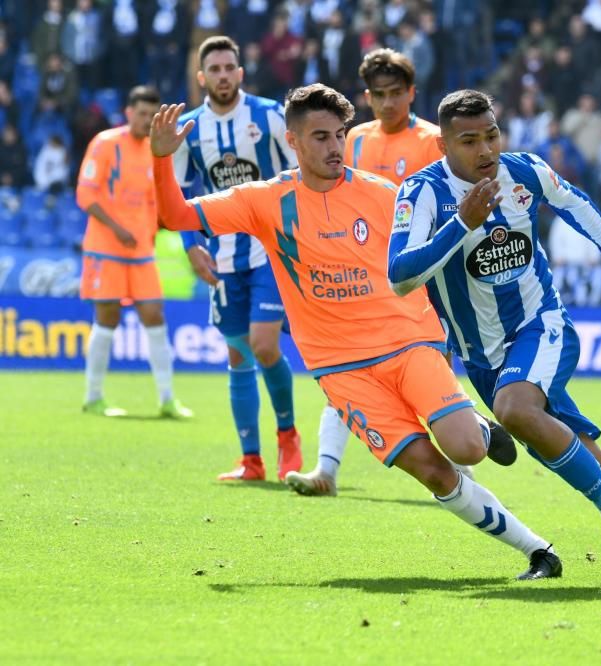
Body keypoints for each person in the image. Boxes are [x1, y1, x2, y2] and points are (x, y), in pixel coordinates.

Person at [150, 84, 562, 581]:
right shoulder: (264, 201)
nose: (333, 147)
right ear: (293, 141)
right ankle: (540, 552)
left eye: (339, 135)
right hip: (342, 370)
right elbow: (174, 216)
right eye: (319, 136)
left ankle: (478, 429)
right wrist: (160, 160)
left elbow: (429, 260)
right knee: (433, 472)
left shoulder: (385, 195)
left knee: (467, 450)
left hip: (408, 343)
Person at [387, 89, 601, 584]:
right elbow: (400, 275)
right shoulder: (421, 194)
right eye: (469, 141)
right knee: (597, 467)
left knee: (513, 410)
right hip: (484, 358)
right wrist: (462, 223)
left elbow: (576, 204)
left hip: (542, 325)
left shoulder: (523, 171)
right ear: (442, 145)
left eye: (492, 135)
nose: (485, 150)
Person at [286, 48, 515, 497]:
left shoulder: (436, 140)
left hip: (429, 271)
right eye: (378, 94)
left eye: (395, 93)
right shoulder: (352, 140)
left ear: (411, 94)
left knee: (433, 366)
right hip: (365, 277)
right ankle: (326, 470)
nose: (387, 103)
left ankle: (464, 449)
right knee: (351, 366)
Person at [173, 36, 309, 482]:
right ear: (201, 78)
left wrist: (297, 234)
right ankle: (250, 460)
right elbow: (177, 194)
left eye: (230, 67)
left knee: (265, 344)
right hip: (222, 255)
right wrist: (191, 244)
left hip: (270, 251)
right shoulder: (190, 130)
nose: (223, 76)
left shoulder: (269, 115)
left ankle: (287, 435)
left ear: (241, 72)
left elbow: (301, 174)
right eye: (214, 69)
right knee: (237, 355)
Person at [77, 85, 193, 420]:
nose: (146, 120)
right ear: (128, 113)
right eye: (141, 113)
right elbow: (85, 195)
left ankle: (168, 399)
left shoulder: (158, 152)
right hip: (105, 249)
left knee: (155, 315)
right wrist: (116, 228)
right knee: (107, 318)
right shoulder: (105, 143)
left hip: (142, 250)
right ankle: (93, 396)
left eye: (151, 114)